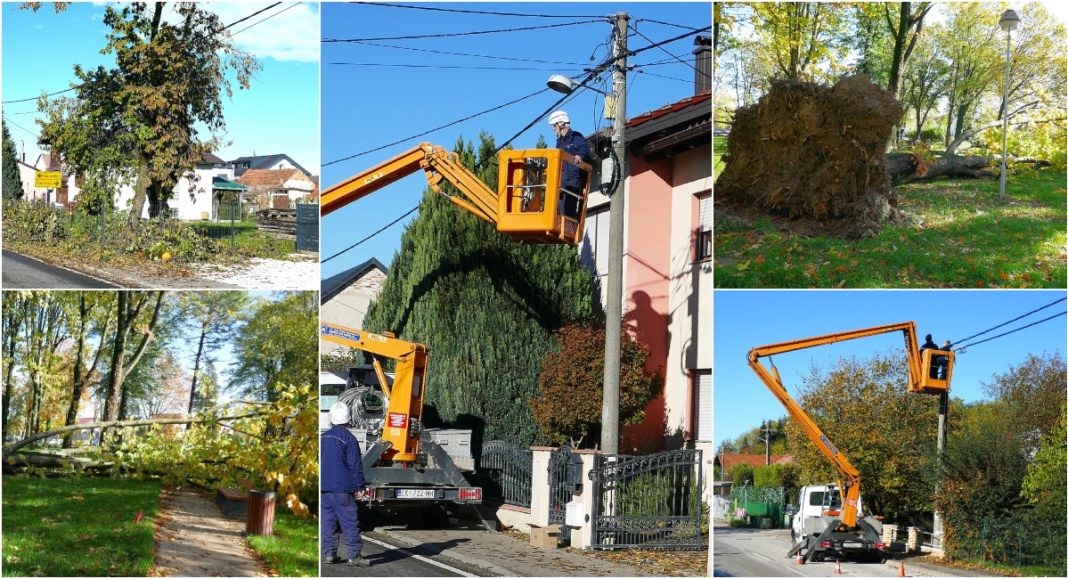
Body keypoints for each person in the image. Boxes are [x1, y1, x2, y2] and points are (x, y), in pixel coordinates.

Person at [321, 402, 370, 567]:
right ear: (348, 419)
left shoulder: (323, 437)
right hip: (342, 490)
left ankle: (329, 554)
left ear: (331, 419)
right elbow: (355, 466)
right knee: (349, 523)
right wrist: (360, 487)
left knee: (328, 523)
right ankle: (354, 556)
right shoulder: (349, 439)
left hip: (324, 489)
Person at [549, 110, 589, 221]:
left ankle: (568, 228)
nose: (553, 128)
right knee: (559, 208)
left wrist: (579, 156)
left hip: (572, 180)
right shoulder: (559, 142)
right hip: (561, 180)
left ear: (561, 123)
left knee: (569, 208)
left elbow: (585, 148)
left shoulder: (576, 137)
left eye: (554, 125)